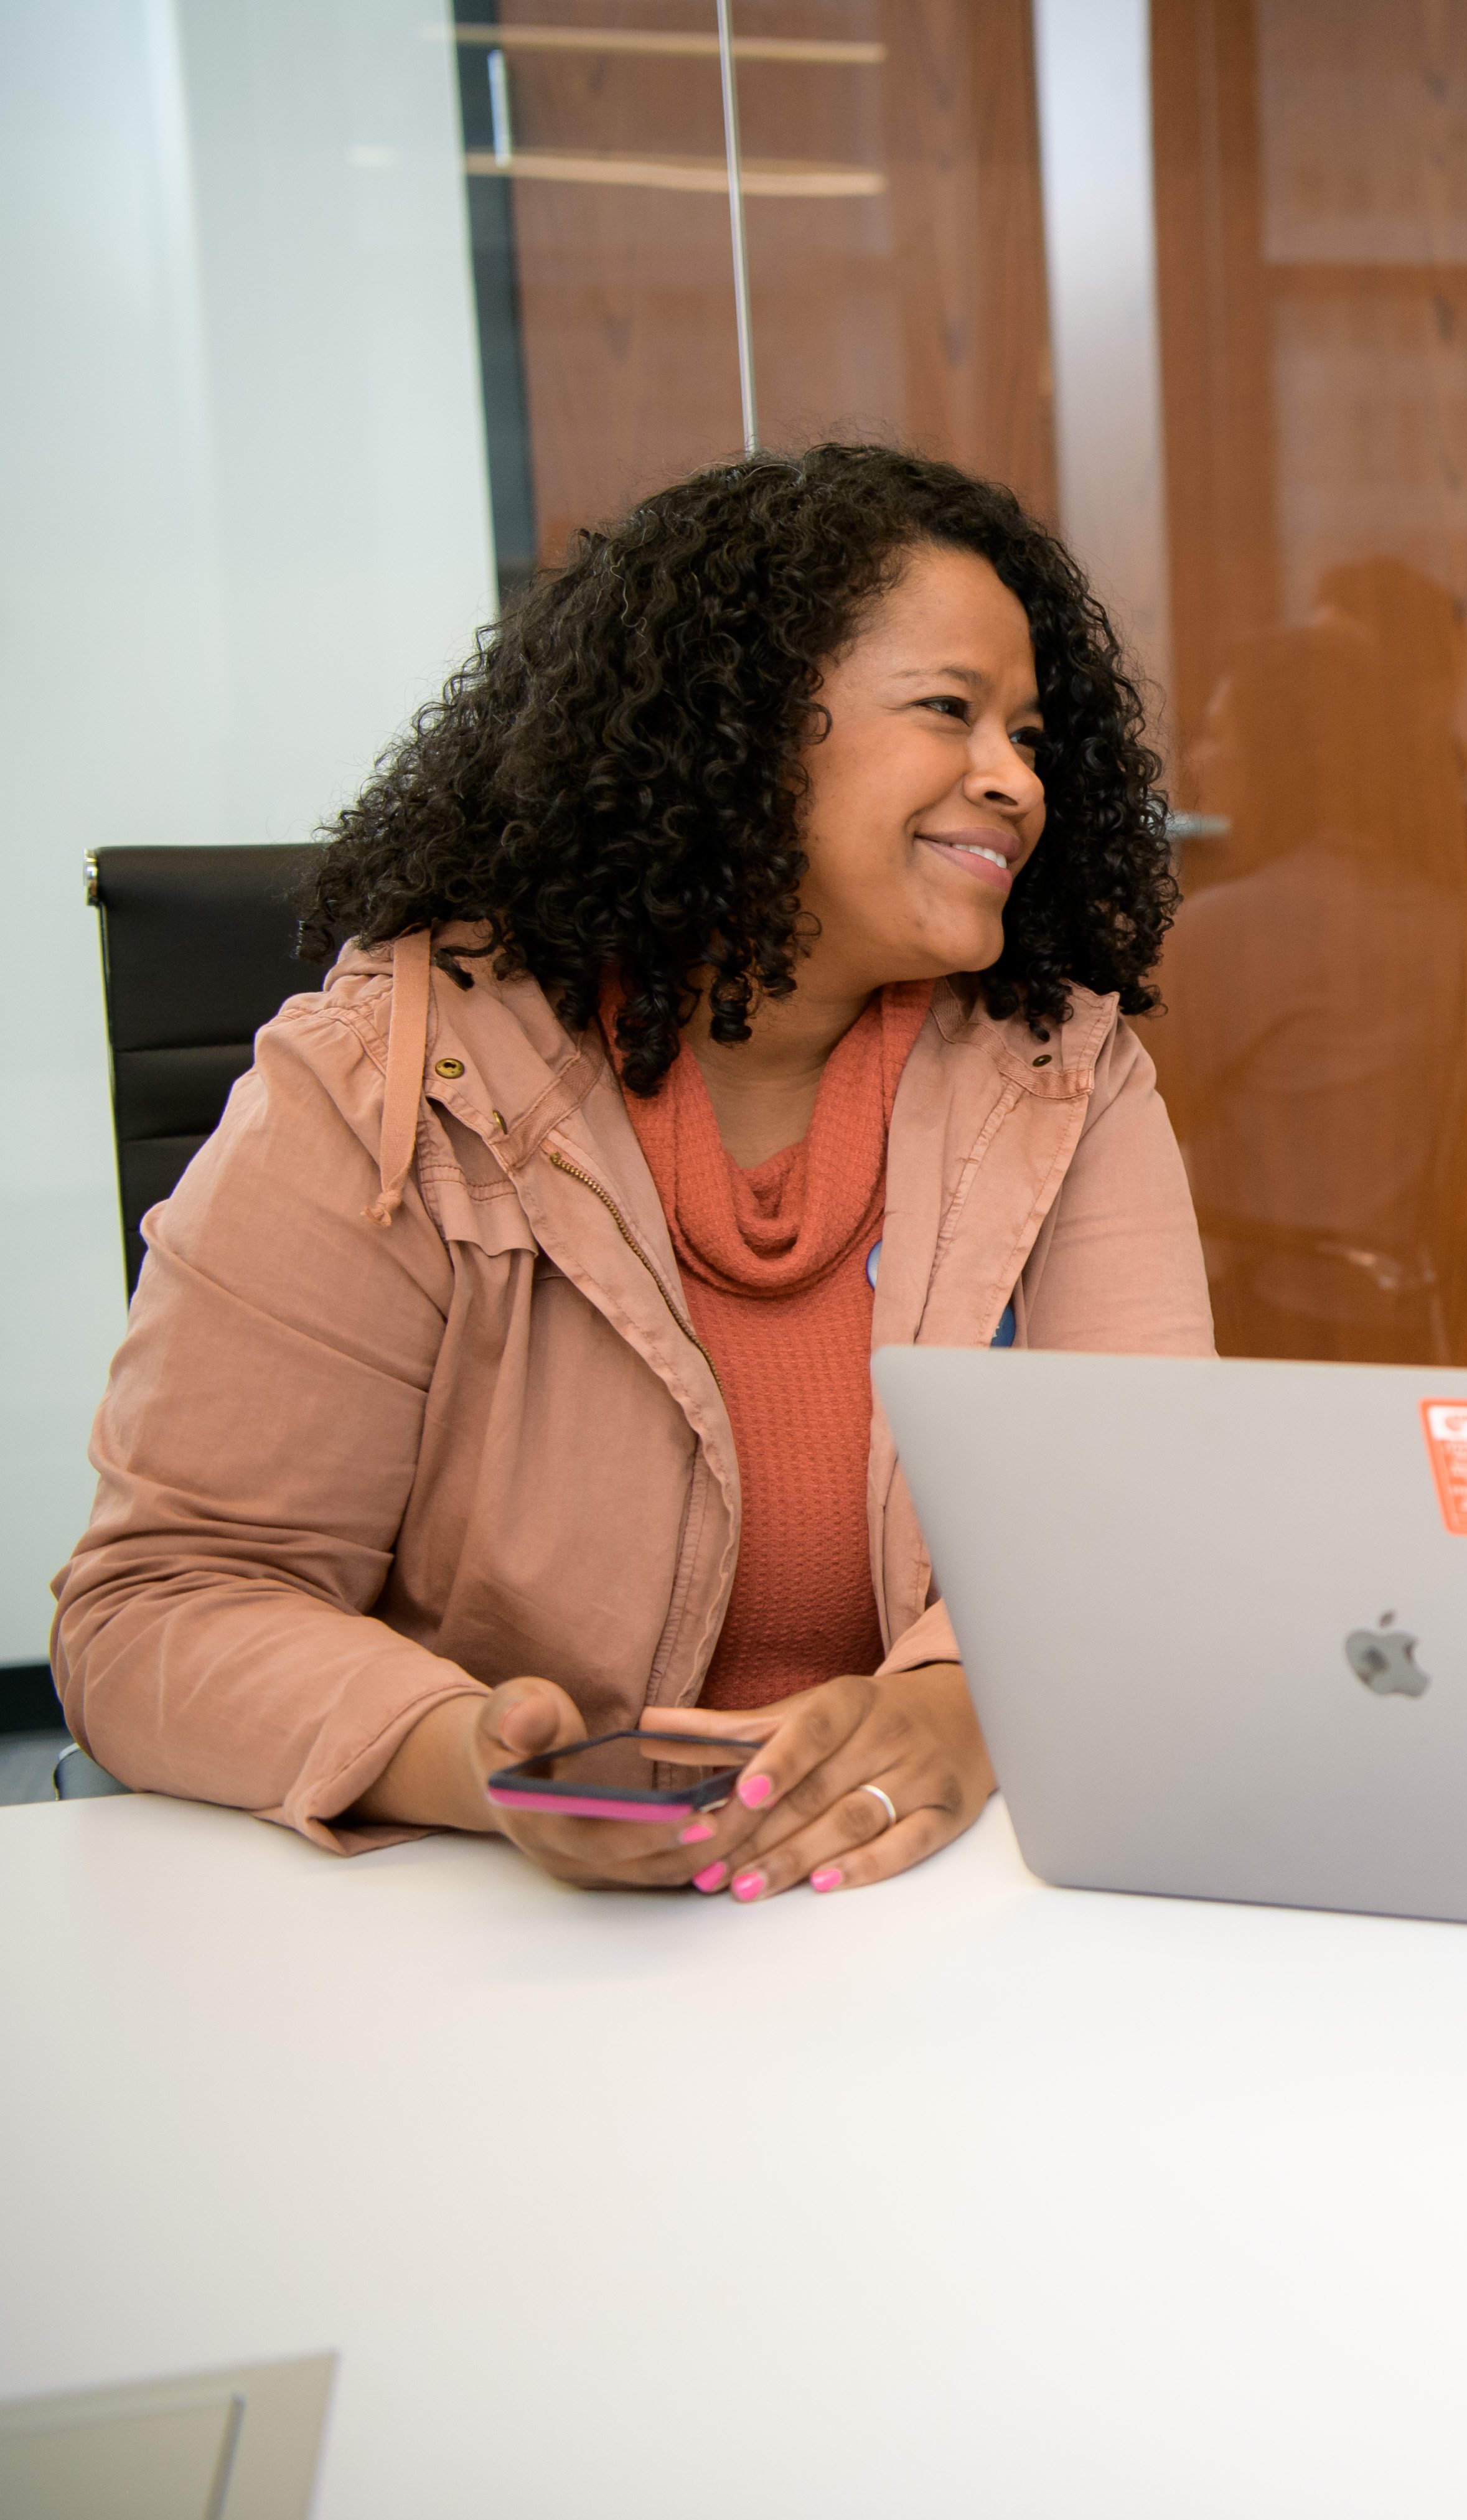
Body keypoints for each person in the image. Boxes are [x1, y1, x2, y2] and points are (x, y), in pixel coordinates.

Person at [54, 444, 1212, 1900]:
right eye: (949, 712)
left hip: (925, 1909)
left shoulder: (1064, 1074)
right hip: (476, 1939)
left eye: (1029, 735)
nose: (1014, 780)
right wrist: (477, 1761)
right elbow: (162, 1606)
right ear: (736, 730)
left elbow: (1142, 1530)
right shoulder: (383, 1084)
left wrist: (950, 1710)